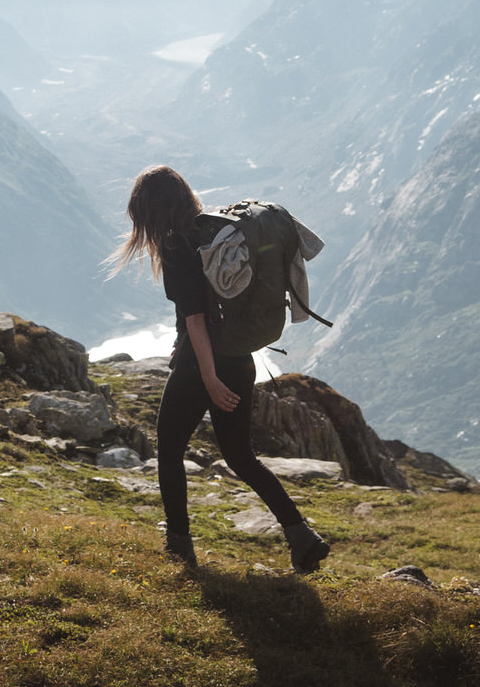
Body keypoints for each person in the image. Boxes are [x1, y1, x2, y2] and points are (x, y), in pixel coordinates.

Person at [114, 164, 331, 575]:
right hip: (239, 358)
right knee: (241, 457)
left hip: (204, 366)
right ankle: (301, 536)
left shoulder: (178, 246)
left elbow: (195, 319)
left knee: (169, 452)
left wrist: (208, 379)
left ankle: (179, 546)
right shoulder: (210, 233)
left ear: (151, 210)